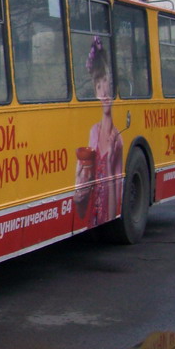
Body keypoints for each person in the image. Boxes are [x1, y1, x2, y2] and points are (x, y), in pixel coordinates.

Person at [75, 36, 123, 226]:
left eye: (106, 82)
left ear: (112, 83)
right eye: (98, 86)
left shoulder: (117, 139)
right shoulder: (93, 132)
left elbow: (114, 207)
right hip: (92, 214)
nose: (103, 93)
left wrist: (110, 162)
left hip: (106, 213)